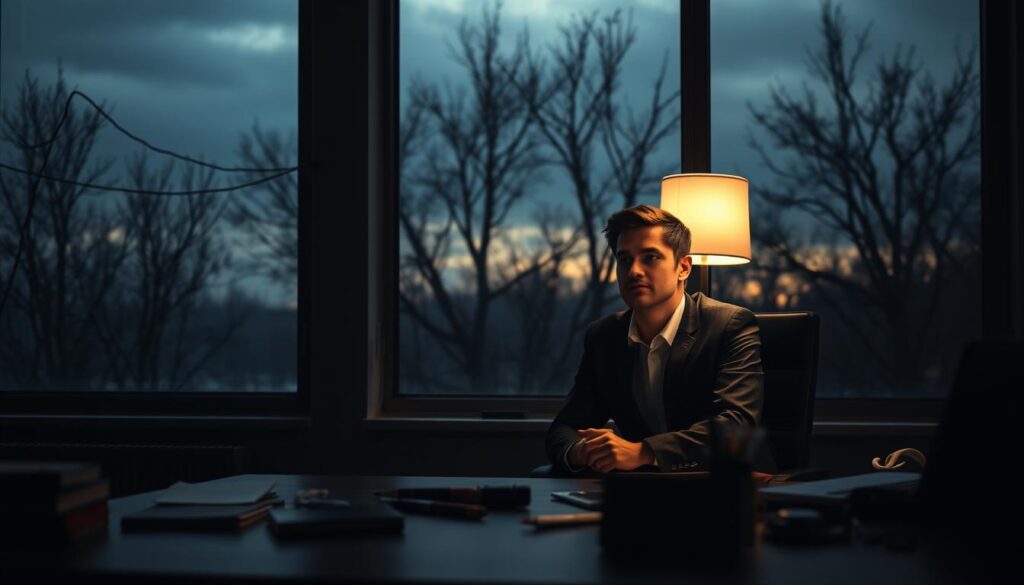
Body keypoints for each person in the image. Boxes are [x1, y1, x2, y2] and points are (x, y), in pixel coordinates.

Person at [545, 204, 767, 474]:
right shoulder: (604, 336)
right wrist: (583, 450)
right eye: (624, 260)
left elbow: (735, 424)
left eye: (650, 257)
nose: (634, 271)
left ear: (684, 267)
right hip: (642, 491)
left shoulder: (730, 325)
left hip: (727, 488)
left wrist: (645, 451)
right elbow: (564, 428)